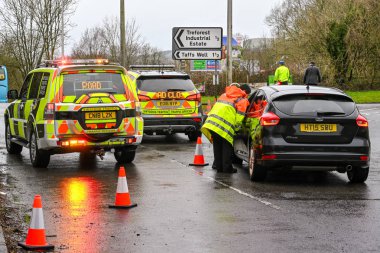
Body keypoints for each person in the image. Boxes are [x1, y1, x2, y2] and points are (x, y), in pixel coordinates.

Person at [201, 83, 250, 173]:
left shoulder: (224, 95)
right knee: (227, 146)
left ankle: (219, 167)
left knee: (217, 145)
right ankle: (227, 168)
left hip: (211, 123)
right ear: (245, 92)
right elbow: (239, 118)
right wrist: (237, 129)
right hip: (225, 125)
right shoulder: (242, 100)